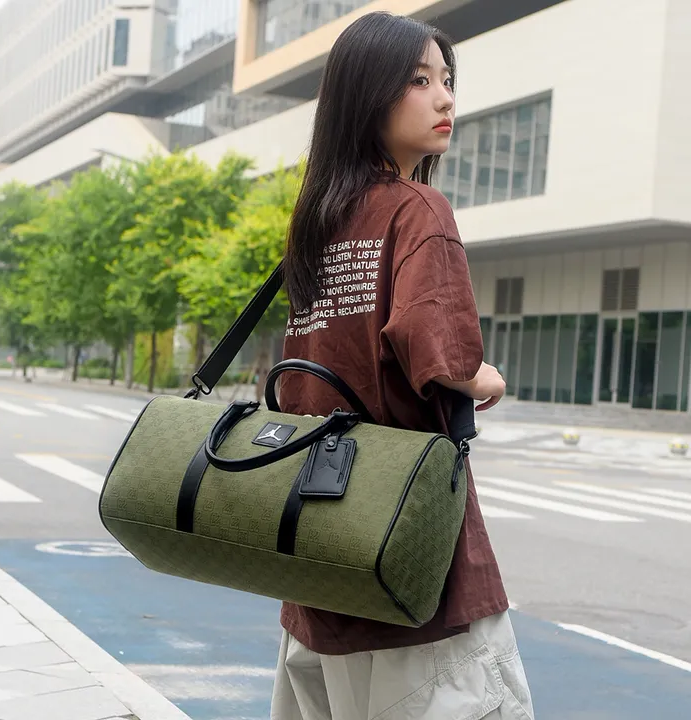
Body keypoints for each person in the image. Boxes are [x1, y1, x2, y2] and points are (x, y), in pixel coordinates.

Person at [273, 11, 534, 720]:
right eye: (419, 80)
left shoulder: (319, 223)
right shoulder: (419, 209)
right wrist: (485, 378)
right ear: (367, 94)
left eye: (447, 80)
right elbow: (437, 352)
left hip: (320, 558)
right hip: (410, 556)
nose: (445, 98)